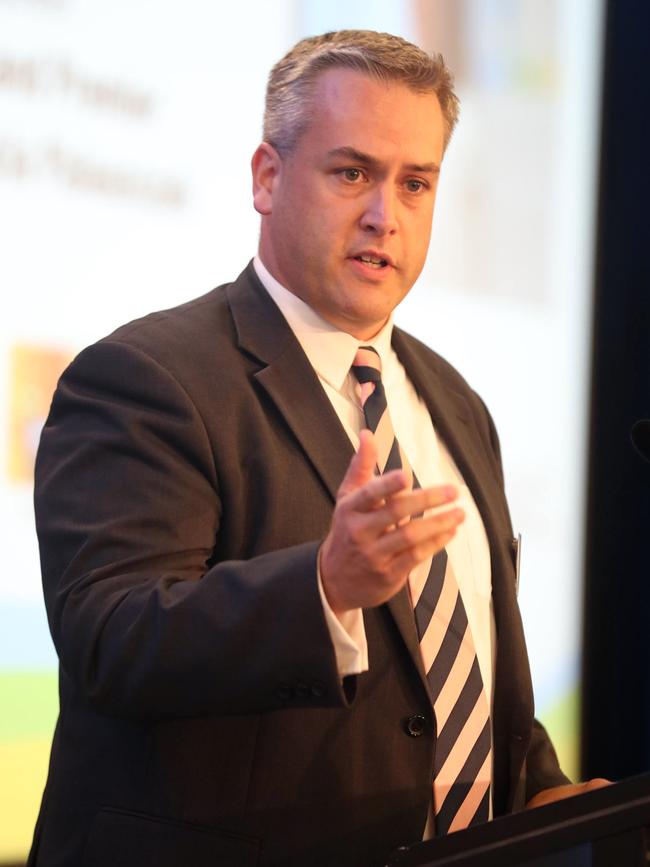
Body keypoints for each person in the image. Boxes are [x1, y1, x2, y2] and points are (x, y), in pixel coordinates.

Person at [28, 29, 605, 867]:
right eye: (352, 173)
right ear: (267, 178)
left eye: (416, 183)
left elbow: (460, 659)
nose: (385, 214)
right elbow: (111, 641)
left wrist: (539, 784)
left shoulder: (454, 403)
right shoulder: (146, 377)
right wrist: (324, 586)